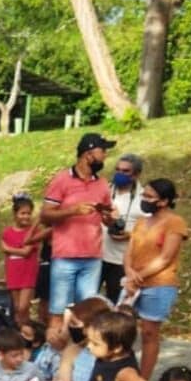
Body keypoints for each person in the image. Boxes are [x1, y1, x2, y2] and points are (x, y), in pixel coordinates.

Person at [41, 133, 117, 339]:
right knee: (58, 312)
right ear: (88, 154)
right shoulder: (61, 180)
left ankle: (83, 353)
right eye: (102, 151)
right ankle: (54, 353)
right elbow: (44, 215)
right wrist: (72, 211)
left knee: (87, 313)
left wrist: (110, 218)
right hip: (65, 256)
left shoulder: (102, 184)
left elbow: (107, 217)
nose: (105, 155)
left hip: (93, 257)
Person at [124, 178, 187, 381]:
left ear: (164, 201)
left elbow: (166, 258)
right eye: (144, 195)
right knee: (120, 328)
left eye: (149, 196)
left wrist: (138, 276)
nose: (144, 199)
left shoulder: (175, 223)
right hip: (133, 283)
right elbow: (129, 251)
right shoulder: (141, 222)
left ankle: (142, 380)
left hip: (159, 284)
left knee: (149, 333)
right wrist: (129, 272)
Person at [101, 153, 147, 303]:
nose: (120, 174)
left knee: (115, 303)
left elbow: (150, 231)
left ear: (136, 174)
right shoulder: (104, 190)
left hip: (121, 261)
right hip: (96, 257)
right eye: (117, 169)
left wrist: (130, 234)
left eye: (125, 171)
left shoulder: (144, 198)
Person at [2, 194, 50, 324]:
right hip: (13, 273)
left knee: (24, 306)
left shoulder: (34, 231)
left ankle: (27, 329)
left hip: (28, 273)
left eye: (29, 213)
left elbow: (26, 252)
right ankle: (23, 330)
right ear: (15, 214)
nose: (26, 216)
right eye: (22, 213)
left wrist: (8, 248)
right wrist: (5, 275)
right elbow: (6, 256)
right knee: (17, 308)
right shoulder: (7, 232)